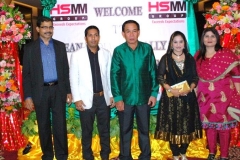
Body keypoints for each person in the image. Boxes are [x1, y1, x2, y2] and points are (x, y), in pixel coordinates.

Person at [22, 16, 72, 160]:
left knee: (60, 125)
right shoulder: (30, 48)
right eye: (44, 27)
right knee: (43, 125)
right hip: (40, 91)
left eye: (50, 27)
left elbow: (65, 71)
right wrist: (28, 96)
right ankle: (48, 155)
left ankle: (62, 155)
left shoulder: (60, 46)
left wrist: (68, 91)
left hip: (58, 90)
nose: (48, 30)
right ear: (38, 29)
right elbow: (27, 75)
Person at [110, 20, 159, 160]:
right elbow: (114, 75)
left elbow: (153, 72)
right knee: (125, 130)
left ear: (139, 32)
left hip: (144, 98)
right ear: (123, 33)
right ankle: (125, 156)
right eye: (128, 31)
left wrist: (153, 93)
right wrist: (118, 98)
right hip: (126, 99)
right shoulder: (119, 51)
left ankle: (145, 156)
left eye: (134, 30)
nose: (131, 34)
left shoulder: (147, 49)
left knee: (144, 129)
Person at [154, 31, 202, 160]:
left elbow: (194, 77)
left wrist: (191, 88)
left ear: (185, 44)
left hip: (188, 98)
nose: (178, 44)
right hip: (171, 98)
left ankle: (183, 152)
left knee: (188, 124)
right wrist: (169, 89)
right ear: (171, 44)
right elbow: (159, 76)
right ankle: (175, 153)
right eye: (175, 42)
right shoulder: (166, 58)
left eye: (181, 42)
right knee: (172, 126)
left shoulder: (190, 58)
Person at [194, 27, 240, 160]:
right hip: (204, 96)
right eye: (206, 36)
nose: (209, 39)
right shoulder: (198, 56)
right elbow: (194, 77)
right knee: (209, 126)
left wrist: (238, 94)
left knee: (224, 126)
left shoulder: (226, 54)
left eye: (212, 36)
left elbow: (237, 75)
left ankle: (224, 155)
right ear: (202, 39)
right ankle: (212, 152)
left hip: (223, 95)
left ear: (217, 38)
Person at [69, 25, 114, 160]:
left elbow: (109, 76)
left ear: (99, 37)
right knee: (87, 130)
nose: (93, 38)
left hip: (102, 98)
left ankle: (105, 155)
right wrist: (76, 98)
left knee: (104, 130)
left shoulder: (106, 53)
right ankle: (87, 156)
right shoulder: (77, 55)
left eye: (96, 35)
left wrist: (111, 94)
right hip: (85, 99)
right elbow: (73, 78)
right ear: (85, 38)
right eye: (90, 35)